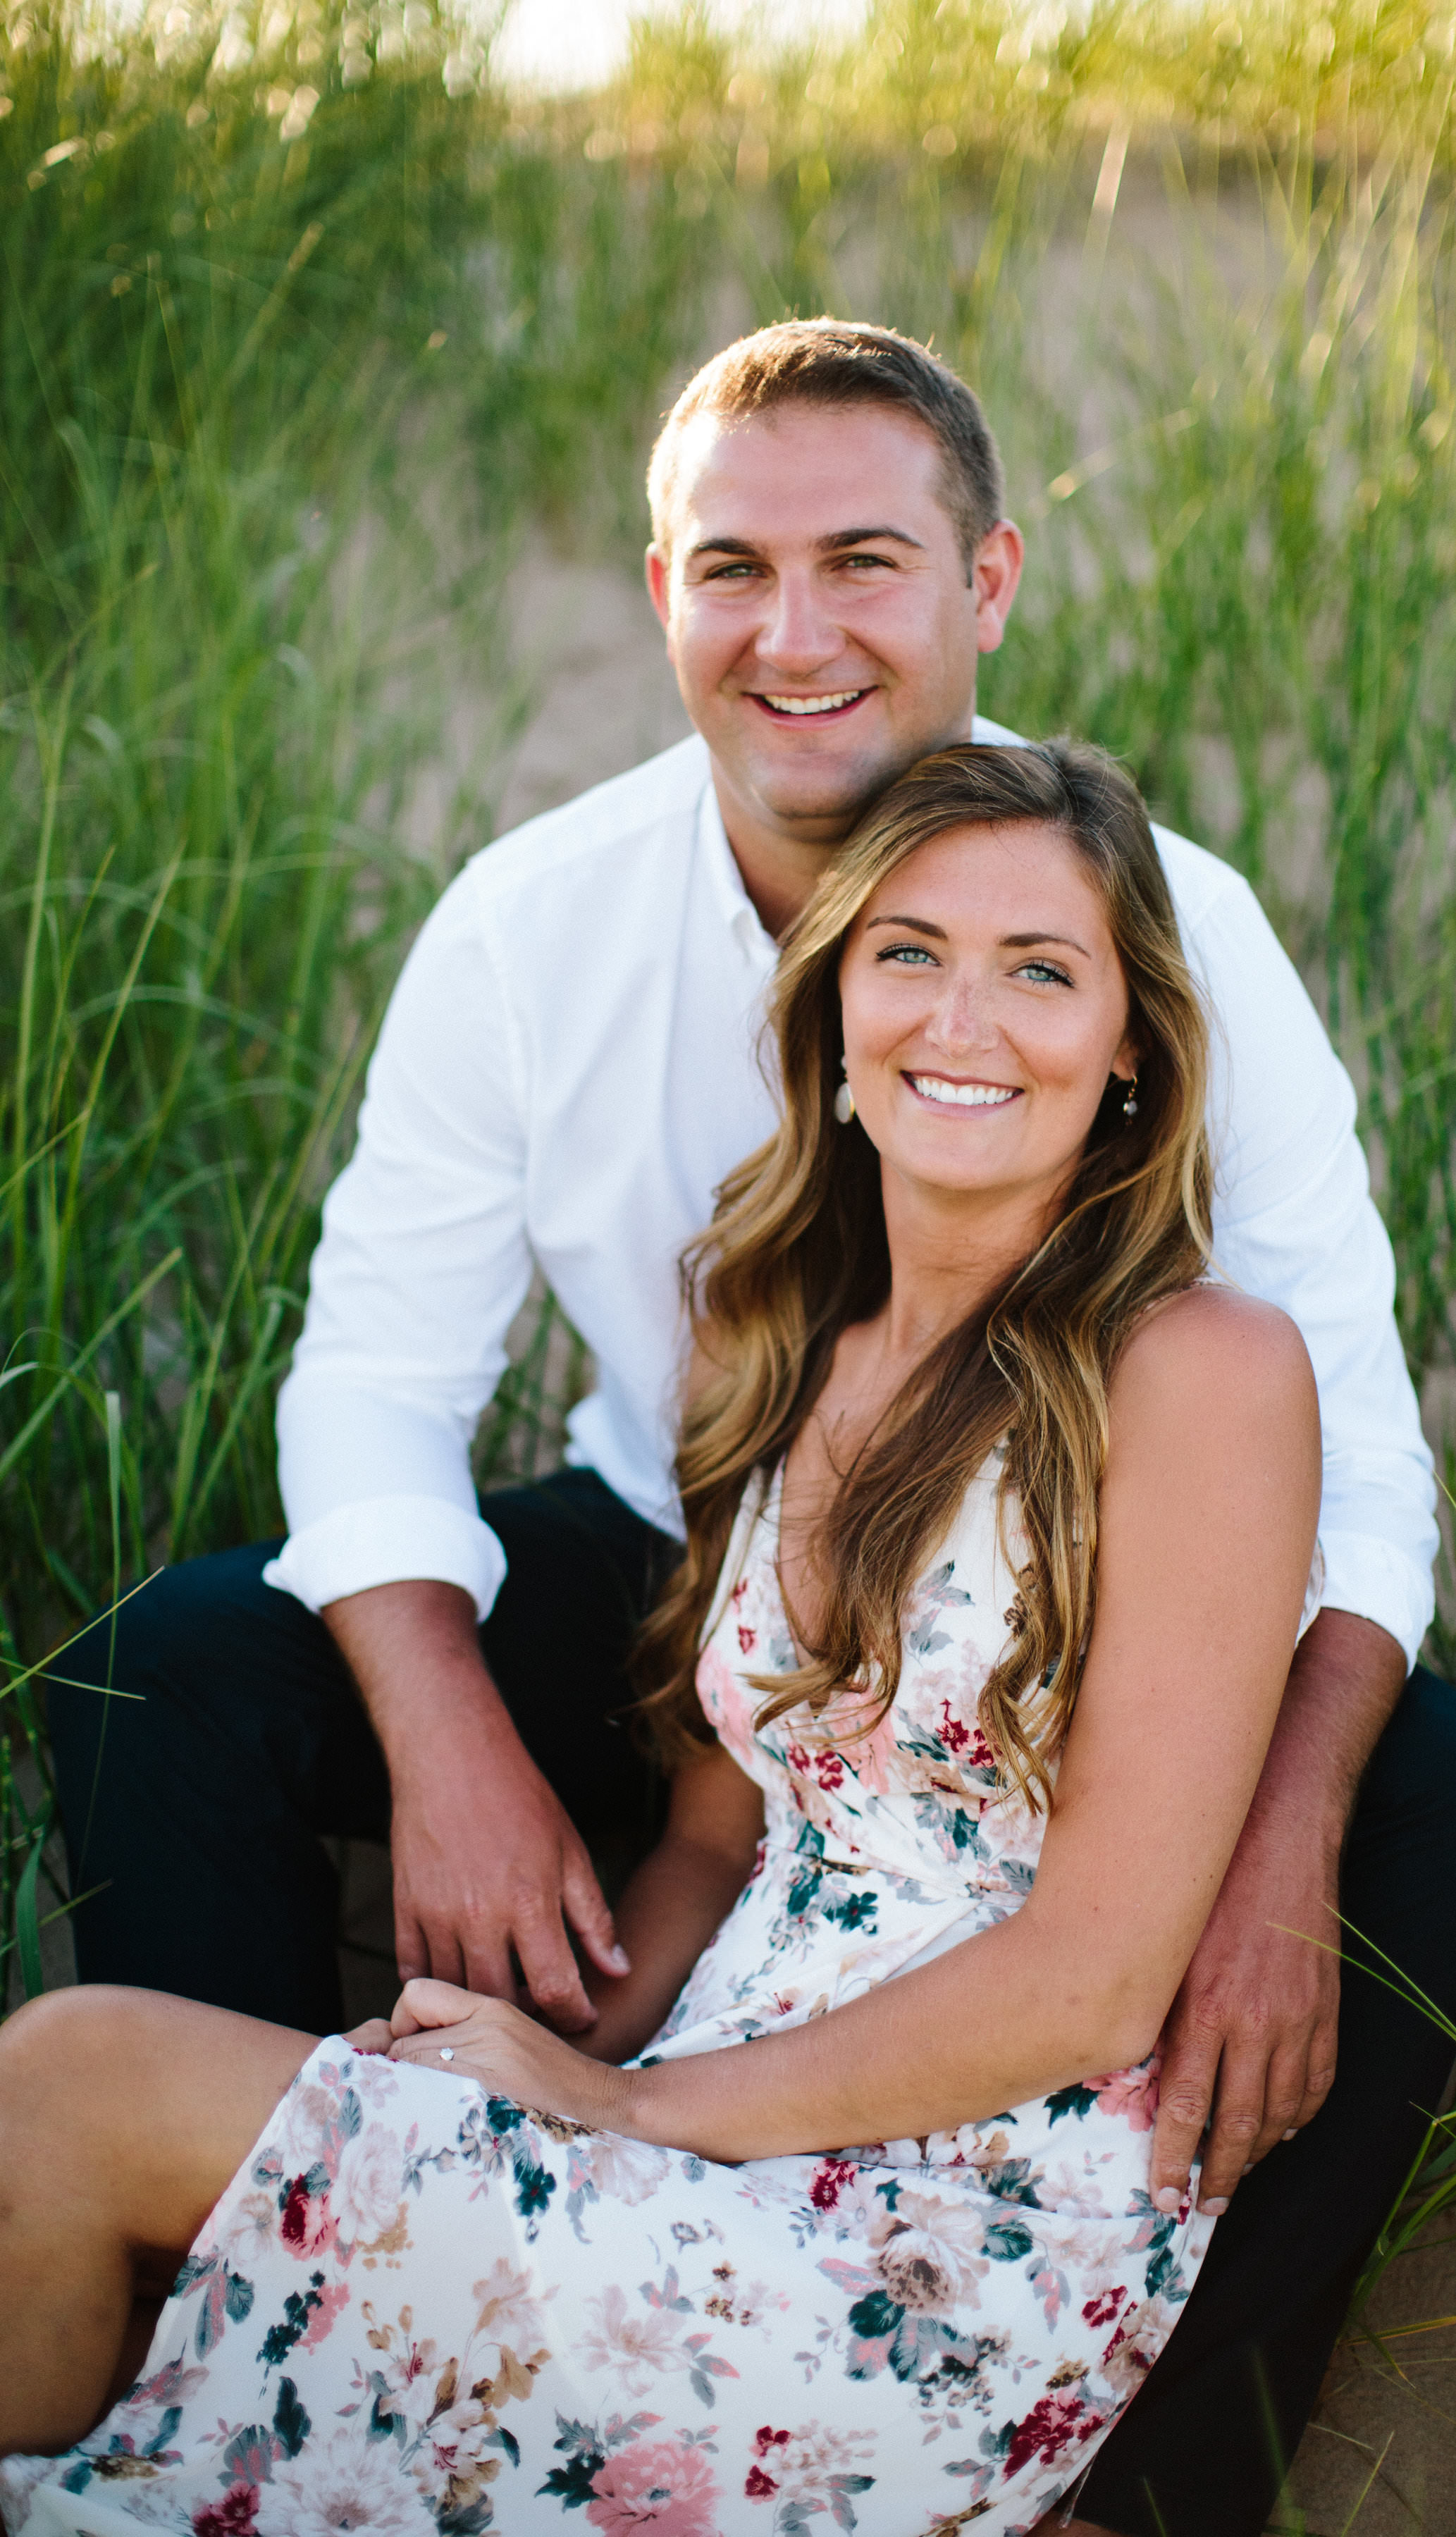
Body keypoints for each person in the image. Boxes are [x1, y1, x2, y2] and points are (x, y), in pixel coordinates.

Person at [42, 322, 1456, 2535]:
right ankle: (263, 2276)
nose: (801, 631)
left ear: (987, 583)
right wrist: (449, 1740)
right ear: (663, 593)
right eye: (735, 567)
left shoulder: (1155, 915)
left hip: (1092, 1636)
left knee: (1433, 1795)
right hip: (703, 1553)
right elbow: (374, 1379)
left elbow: (1362, 1459)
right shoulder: (537, 929)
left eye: (867, 560)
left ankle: (1160, 2478)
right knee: (165, 1662)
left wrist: (1272, 1850)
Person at [4, 741, 1328, 2533]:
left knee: (69, 2077)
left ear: (1129, 1056)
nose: (966, 1016)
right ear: (834, 1016)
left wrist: (633, 2115)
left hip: (952, 2229)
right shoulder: (768, 1331)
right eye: (910, 952)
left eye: (1042, 969)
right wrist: (524, 2050)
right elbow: (721, 1830)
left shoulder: (1200, 1372)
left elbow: (1096, 1974)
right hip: (698, 2113)